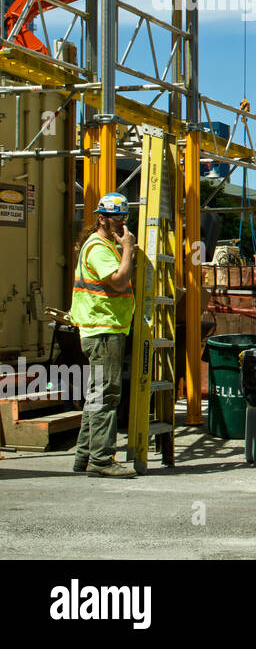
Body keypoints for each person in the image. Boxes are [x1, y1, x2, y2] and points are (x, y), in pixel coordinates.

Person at [70, 192, 137, 478]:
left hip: (105, 328)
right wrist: (129, 250)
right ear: (102, 218)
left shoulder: (107, 244)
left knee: (96, 395)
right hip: (102, 330)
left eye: (124, 217)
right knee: (106, 394)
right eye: (116, 217)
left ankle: (85, 456)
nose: (121, 222)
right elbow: (120, 282)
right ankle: (101, 459)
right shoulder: (98, 247)